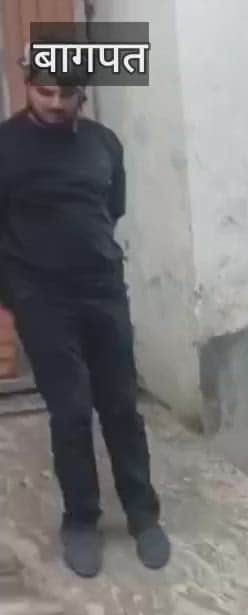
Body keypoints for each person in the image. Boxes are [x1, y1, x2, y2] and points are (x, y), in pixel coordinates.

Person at [0, 57, 170, 578]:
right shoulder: (4, 146)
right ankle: (80, 521)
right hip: (41, 296)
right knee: (71, 410)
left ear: (83, 96)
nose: (54, 103)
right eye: (44, 91)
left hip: (101, 289)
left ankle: (143, 514)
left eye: (66, 93)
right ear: (28, 87)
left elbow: (111, 207)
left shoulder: (104, 143)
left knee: (120, 403)